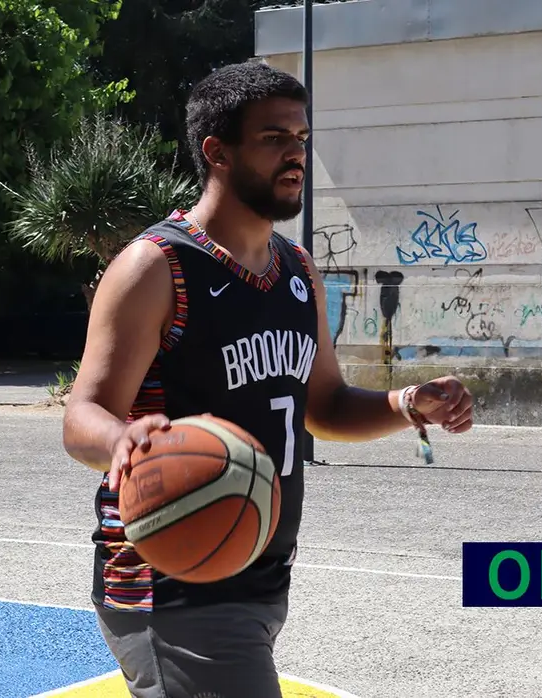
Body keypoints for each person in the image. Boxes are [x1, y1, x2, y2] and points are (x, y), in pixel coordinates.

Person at [61, 59, 475, 698]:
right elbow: (81, 414)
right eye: (274, 138)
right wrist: (121, 442)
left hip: (256, 570)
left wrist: (406, 403)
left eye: (302, 139)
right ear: (216, 152)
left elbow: (325, 404)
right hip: (172, 578)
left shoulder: (296, 270)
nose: (296, 155)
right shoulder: (156, 268)